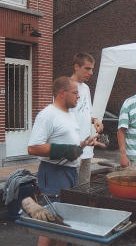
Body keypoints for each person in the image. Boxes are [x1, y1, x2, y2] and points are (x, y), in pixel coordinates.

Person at [28, 76, 95, 246]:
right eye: (75, 93)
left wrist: (81, 145)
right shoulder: (47, 114)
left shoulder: (70, 114)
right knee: (49, 224)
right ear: (62, 93)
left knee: (64, 223)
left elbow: (68, 145)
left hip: (70, 173)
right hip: (52, 173)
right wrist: (64, 150)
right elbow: (33, 147)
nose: (78, 97)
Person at [70, 52, 103, 185]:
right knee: (70, 187)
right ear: (76, 67)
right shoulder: (65, 86)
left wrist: (95, 120)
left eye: (92, 69)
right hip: (73, 146)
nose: (91, 73)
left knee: (84, 186)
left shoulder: (86, 88)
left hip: (87, 146)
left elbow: (86, 113)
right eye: (87, 68)